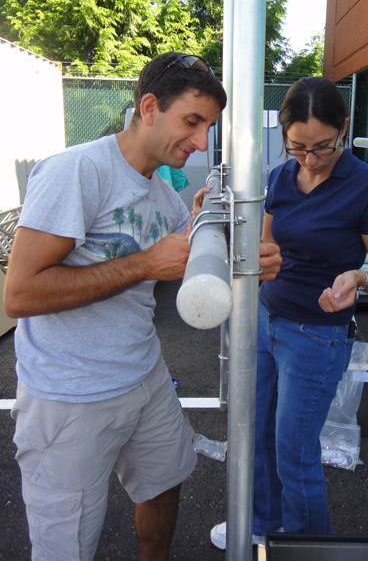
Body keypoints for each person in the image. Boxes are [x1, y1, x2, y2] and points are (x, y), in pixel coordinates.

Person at [3, 51, 281, 561]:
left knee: (164, 482)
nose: (201, 142)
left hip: (143, 375)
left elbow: (192, 263)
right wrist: (143, 265)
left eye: (208, 127)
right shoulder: (78, 171)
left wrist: (243, 257)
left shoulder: (163, 194)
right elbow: (20, 294)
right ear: (149, 106)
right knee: (66, 542)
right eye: (192, 122)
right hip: (70, 395)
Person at [211, 76, 368, 549]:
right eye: (298, 147)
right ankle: (262, 525)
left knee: (294, 452)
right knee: (255, 434)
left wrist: (355, 279)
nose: (311, 159)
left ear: (345, 129)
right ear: (284, 134)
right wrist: (256, 255)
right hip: (264, 320)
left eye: (323, 147)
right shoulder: (279, 177)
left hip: (316, 336)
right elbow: (266, 244)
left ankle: (307, 550)